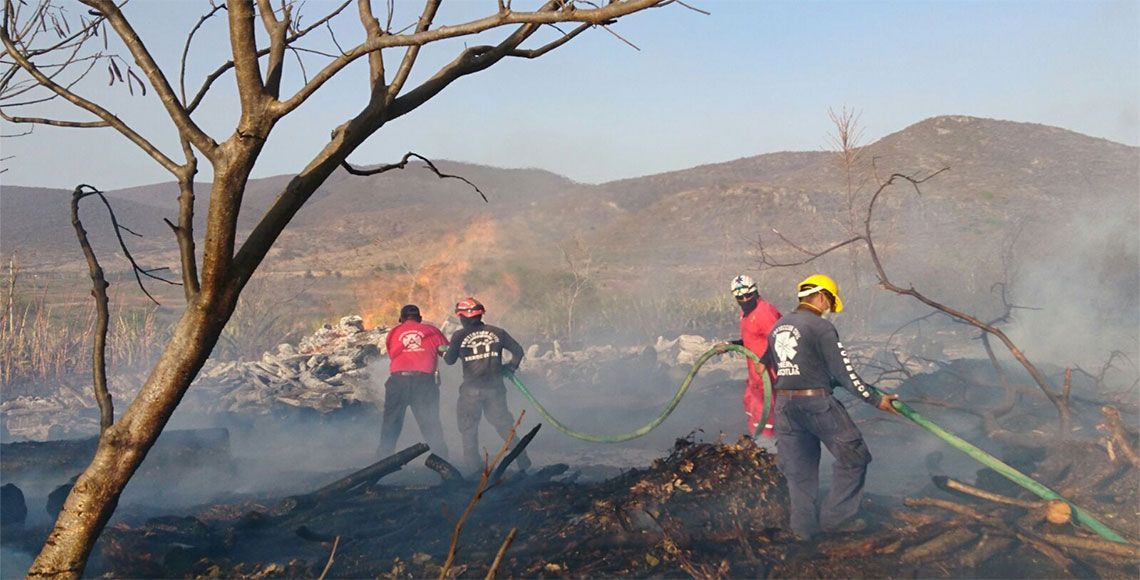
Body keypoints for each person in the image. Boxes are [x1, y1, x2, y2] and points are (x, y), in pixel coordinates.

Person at [764, 274, 899, 540]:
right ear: (822, 297)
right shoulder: (820, 327)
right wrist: (876, 399)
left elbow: (779, 366)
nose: (829, 309)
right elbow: (845, 373)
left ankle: (803, 529)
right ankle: (836, 519)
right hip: (817, 404)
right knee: (855, 456)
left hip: (785, 407)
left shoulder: (779, 325)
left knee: (799, 469)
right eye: (829, 302)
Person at [443, 297, 531, 474]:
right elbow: (518, 351)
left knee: (468, 430)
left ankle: (474, 471)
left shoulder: (459, 336)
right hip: (495, 390)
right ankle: (523, 460)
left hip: (471, 392)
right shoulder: (497, 332)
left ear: (464, 317)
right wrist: (511, 367)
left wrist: (442, 351)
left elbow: (450, 360)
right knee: (505, 427)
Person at [378, 304, 450, 459]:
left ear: (401, 319)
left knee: (390, 426)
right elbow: (446, 353)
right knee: (431, 425)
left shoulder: (394, 332)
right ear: (420, 319)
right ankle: (444, 462)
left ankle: (380, 465)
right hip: (424, 383)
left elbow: (392, 354)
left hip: (398, 382)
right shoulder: (432, 331)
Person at [722, 274, 782, 437]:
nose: (745, 299)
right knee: (751, 404)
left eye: (749, 295)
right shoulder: (746, 313)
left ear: (756, 292)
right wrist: (731, 345)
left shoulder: (764, 312)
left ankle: (769, 446)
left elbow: (779, 340)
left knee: (767, 411)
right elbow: (752, 339)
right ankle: (757, 440)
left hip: (769, 373)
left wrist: (764, 360)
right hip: (755, 374)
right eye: (740, 297)